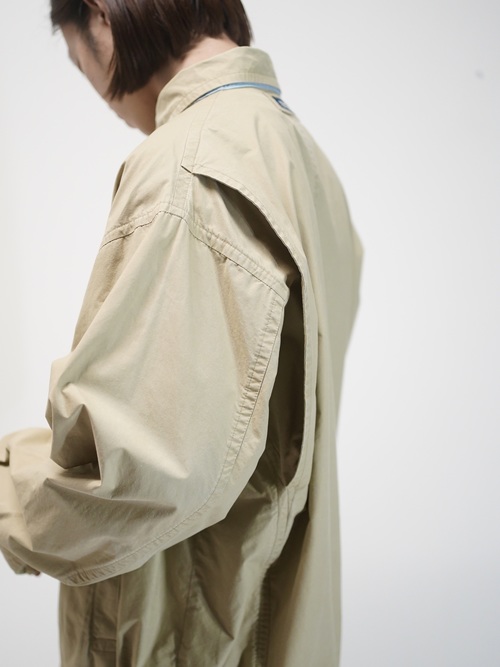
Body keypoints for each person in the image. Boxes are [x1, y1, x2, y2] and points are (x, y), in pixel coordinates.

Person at [0, 1, 362, 665]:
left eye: (77, 59)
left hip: (189, 641)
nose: (98, 91)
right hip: (265, 628)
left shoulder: (187, 164)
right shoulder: (300, 157)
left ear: (101, 17)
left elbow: (138, 475)